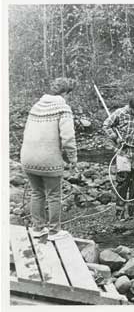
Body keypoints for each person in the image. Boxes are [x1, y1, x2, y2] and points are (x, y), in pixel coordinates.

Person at [20, 77, 77, 239]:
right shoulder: (63, 108)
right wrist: (73, 159)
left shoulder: (36, 105)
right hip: (48, 160)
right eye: (69, 94)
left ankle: (37, 228)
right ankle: (54, 231)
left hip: (28, 158)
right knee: (53, 195)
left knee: (36, 193)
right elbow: (68, 138)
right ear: (65, 92)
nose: (69, 97)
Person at [103, 93, 134, 220]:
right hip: (123, 153)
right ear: (129, 107)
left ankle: (133, 212)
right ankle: (120, 212)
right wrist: (116, 138)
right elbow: (106, 126)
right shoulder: (120, 113)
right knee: (123, 182)